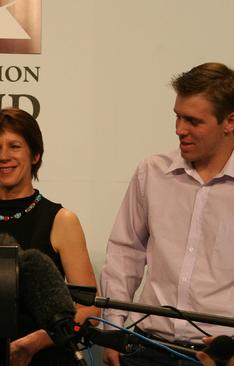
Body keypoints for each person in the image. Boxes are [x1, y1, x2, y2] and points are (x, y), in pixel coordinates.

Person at [101, 62, 234, 366]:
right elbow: (125, 252)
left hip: (218, 355)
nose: (179, 130)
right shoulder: (152, 172)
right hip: (145, 347)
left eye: (193, 121)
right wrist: (113, 327)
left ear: (230, 122)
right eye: (177, 116)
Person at [0, 107, 99, 365]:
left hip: (46, 357)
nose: (3, 156)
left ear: (36, 154)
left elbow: (89, 310)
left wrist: (33, 343)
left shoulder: (61, 220)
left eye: (15, 146)